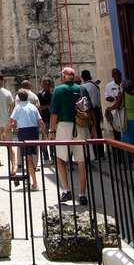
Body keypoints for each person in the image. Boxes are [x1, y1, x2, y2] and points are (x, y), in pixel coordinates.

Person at [49, 67, 95, 205]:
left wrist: (51, 131)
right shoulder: (82, 89)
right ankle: (82, 194)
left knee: (60, 159)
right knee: (81, 162)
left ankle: (66, 190)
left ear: (63, 77)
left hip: (64, 126)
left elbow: (54, 114)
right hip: (81, 126)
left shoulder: (58, 90)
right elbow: (89, 109)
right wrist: (94, 130)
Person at [3, 89, 47, 190]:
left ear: (18, 98)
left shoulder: (18, 107)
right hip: (34, 131)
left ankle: (34, 182)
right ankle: (30, 177)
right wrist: (45, 133)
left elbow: (11, 120)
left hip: (24, 132)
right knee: (30, 157)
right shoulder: (32, 107)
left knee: (28, 158)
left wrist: (5, 131)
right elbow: (40, 121)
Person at [108, 79, 134, 147]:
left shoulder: (121, 93)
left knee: (129, 142)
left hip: (127, 119)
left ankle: (131, 157)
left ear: (123, 87)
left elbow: (117, 104)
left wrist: (110, 108)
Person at [81, 70, 104, 159]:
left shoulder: (85, 87)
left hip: (90, 111)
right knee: (98, 131)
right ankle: (100, 153)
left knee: (91, 132)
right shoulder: (95, 86)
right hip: (97, 110)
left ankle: (94, 153)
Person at [37, 77, 53, 164]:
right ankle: (46, 157)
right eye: (46, 84)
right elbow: (38, 107)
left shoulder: (52, 94)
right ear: (43, 85)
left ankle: (52, 156)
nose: (47, 86)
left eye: (49, 84)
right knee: (44, 138)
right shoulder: (40, 94)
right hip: (44, 119)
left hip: (51, 119)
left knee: (52, 138)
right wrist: (47, 106)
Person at [105, 68, 123, 141]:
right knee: (116, 132)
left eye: (117, 74)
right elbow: (107, 97)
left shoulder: (124, 84)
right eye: (114, 74)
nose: (116, 76)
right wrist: (114, 98)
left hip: (123, 111)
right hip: (114, 112)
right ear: (112, 75)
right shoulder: (109, 85)